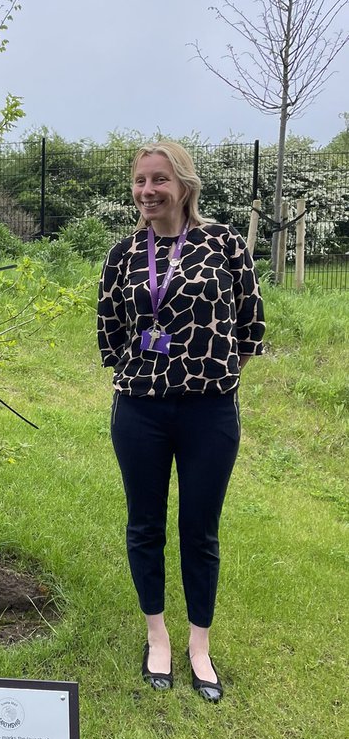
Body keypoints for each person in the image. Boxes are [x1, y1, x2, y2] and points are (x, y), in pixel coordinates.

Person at [97, 141, 264, 702]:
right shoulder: (122, 254)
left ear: (184, 185)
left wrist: (208, 376)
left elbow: (249, 328)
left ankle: (199, 645)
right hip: (140, 410)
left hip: (208, 412)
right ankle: (157, 636)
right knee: (144, 524)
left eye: (159, 180)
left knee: (200, 528)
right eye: (140, 180)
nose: (148, 191)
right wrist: (146, 376)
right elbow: (110, 331)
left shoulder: (225, 245)